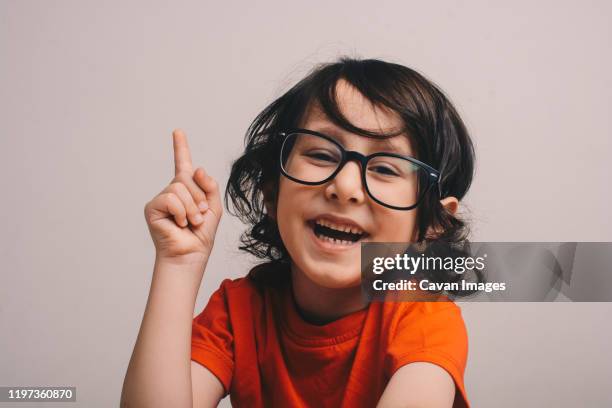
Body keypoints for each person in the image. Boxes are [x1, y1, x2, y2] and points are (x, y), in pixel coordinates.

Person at [121, 57, 476, 408]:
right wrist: (178, 264)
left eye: (384, 168)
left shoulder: (425, 319)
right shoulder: (239, 310)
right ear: (272, 191)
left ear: (433, 225)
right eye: (322, 154)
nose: (344, 185)